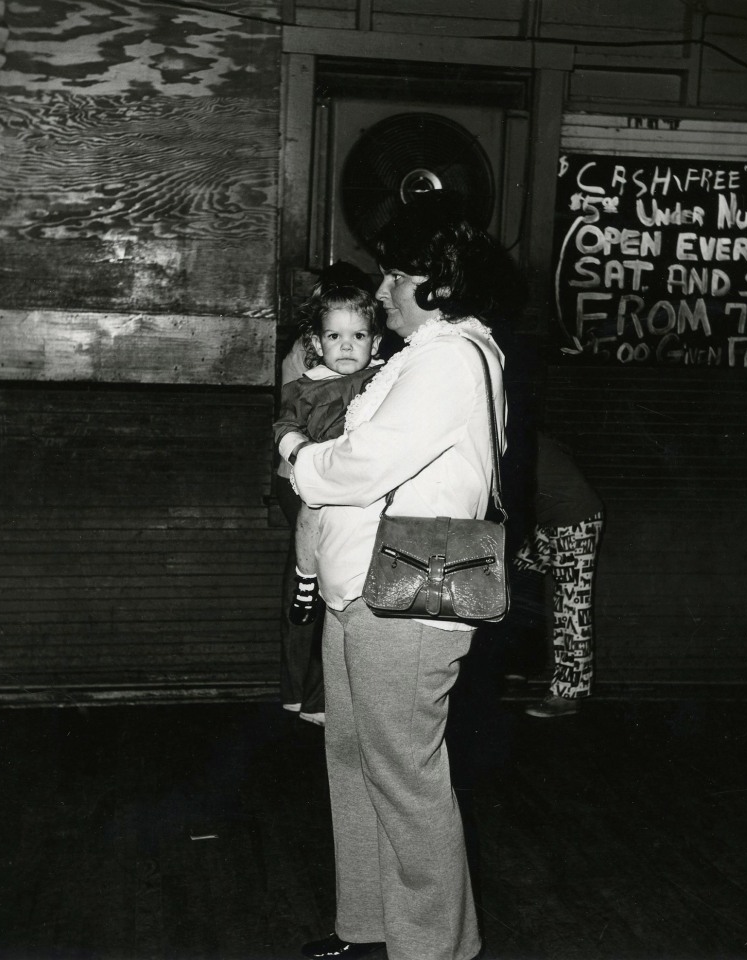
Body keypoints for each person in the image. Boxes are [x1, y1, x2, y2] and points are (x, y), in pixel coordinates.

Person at [284, 193, 524, 960]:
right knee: (355, 761)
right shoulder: (432, 354)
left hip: (410, 603)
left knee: (406, 780)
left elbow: (363, 465)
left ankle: (434, 948)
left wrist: (296, 455)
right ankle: (370, 926)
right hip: (367, 590)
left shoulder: (451, 358)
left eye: (393, 277)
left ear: (436, 283)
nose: (381, 291)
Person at [273, 262, 384, 725]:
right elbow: (285, 421)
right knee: (315, 559)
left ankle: (311, 693)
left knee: (336, 579)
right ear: (318, 339)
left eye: (357, 335)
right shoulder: (308, 378)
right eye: (335, 334)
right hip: (310, 477)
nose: (346, 344)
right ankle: (312, 693)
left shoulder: (381, 373)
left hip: (342, 480)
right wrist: (301, 452)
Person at [515, 432, 604, 718]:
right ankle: (517, 663)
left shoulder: (514, 438)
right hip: (550, 520)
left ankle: (568, 694)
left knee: (571, 607)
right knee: (511, 577)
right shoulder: (515, 433)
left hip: (574, 520)